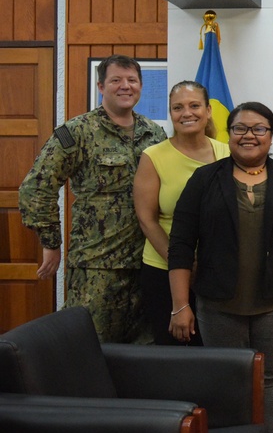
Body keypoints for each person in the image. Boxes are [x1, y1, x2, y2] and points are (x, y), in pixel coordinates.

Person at [167, 101, 273, 433]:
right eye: (240, 128)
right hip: (218, 303)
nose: (249, 135)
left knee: (271, 381)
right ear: (227, 133)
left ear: (271, 136)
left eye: (258, 129)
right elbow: (180, 245)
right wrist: (179, 305)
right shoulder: (205, 179)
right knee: (226, 382)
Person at [19, 54, 167, 343]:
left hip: (148, 263)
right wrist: (51, 243)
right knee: (87, 347)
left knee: (145, 352)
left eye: (132, 80)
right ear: (101, 86)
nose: (125, 86)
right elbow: (36, 187)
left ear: (140, 86)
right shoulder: (77, 132)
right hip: (97, 265)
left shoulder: (155, 133)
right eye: (116, 80)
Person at [134, 80, 229, 345]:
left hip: (217, 274)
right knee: (177, 358)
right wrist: (183, 263)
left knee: (217, 355)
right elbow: (147, 219)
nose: (187, 113)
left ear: (208, 110)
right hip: (164, 270)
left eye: (194, 105)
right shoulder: (153, 156)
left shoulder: (228, 153)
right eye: (178, 108)